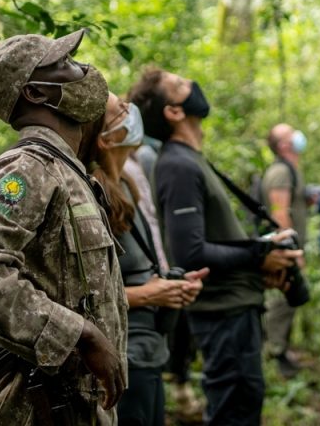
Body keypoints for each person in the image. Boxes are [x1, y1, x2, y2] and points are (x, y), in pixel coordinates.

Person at [0, 31, 127, 425]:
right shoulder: (29, 169)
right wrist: (78, 334)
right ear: (37, 93)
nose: (84, 70)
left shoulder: (68, 172)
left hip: (81, 409)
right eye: (66, 64)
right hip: (42, 408)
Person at [128, 69, 301, 426]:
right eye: (180, 85)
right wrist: (258, 255)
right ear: (174, 111)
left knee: (243, 407)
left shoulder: (191, 159)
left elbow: (213, 242)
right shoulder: (177, 165)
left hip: (234, 309)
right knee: (233, 413)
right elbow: (190, 253)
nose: (191, 85)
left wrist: (261, 255)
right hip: (222, 314)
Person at [90, 92, 209, 426]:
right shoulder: (92, 194)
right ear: (104, 138)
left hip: (150, 349)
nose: (131, 113)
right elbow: (81, 297)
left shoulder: (126, 184)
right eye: (120, 111)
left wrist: (170, 286)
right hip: (122, 354)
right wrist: (149, 294)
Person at [261, 123, 310, 378]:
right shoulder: (280, 172)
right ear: (283, 145)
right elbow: (279, 214)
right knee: (280, 301)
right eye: (292, 134)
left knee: (289, 299)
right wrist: (294, 252)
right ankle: (274, 352)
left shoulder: (290, 170)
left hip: (290, 247)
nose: (298, 136)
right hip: (284, 249)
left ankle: (281, 350)